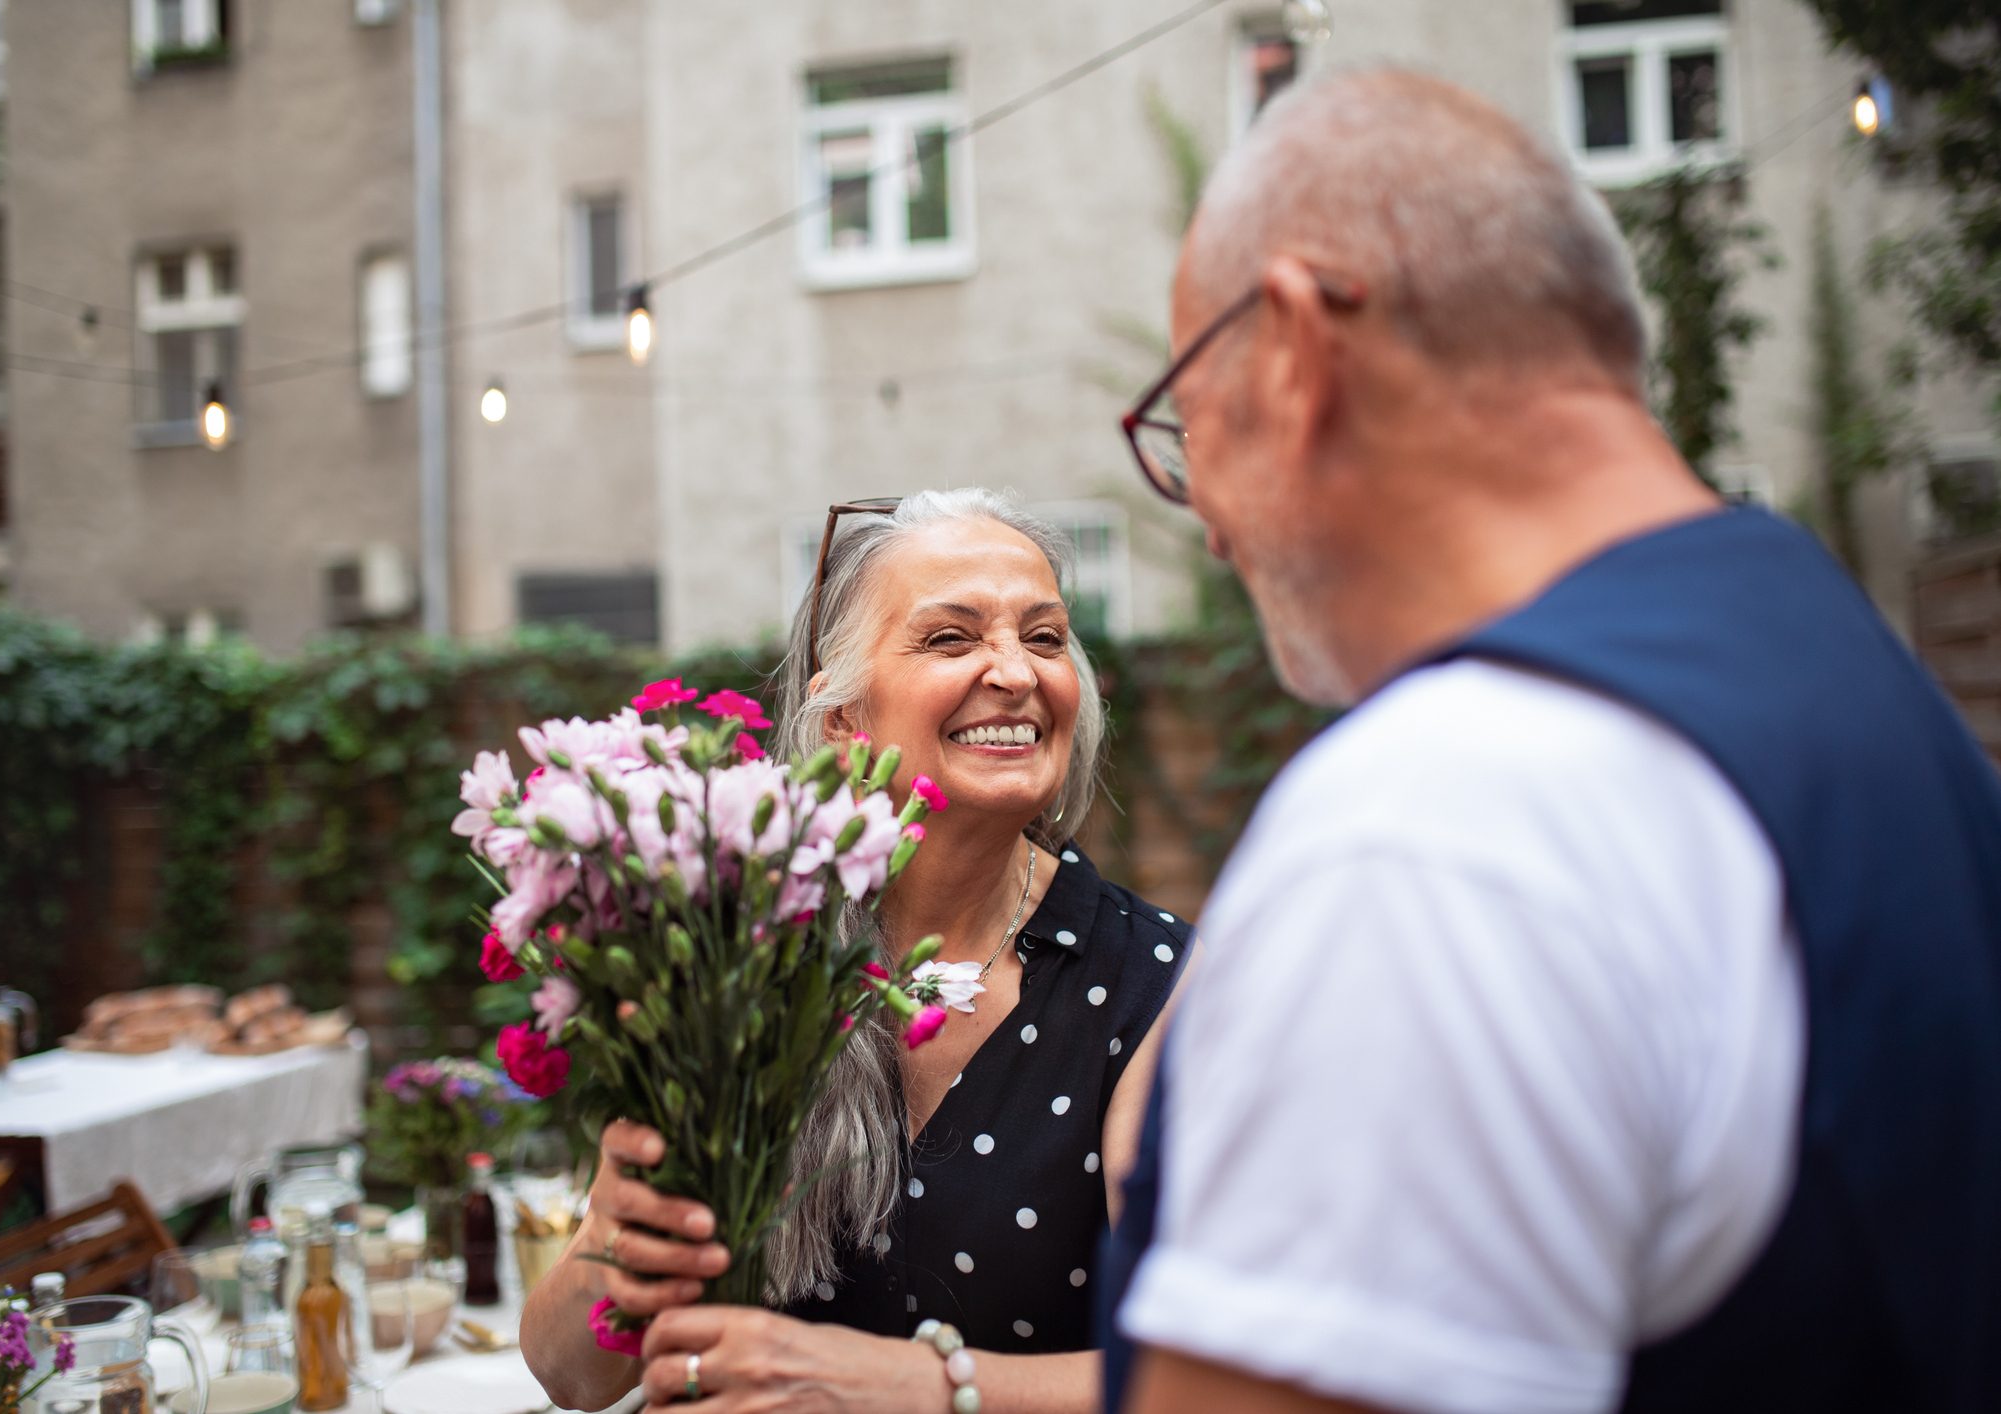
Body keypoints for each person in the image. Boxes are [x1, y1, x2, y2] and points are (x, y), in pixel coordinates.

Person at [1101, 68, 2001, 1414]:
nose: (1205, 515)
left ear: (1291, 350)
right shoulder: (1850, 663)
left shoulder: (1444, 823)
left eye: (1185, 423)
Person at [522, 489, 1195, 1413]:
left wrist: (917, 1387)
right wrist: (615, 1231)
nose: (1014, 672)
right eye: (950, 639)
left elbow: (1199, 1381)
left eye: (1044, 638)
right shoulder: (741, 958)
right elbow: (572, 1374)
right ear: (843, 720)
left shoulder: (1152, 985)